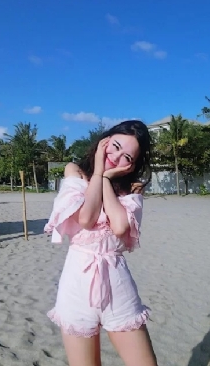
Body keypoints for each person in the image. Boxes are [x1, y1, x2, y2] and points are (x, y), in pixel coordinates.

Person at [44, 120, 158, 366]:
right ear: (103, 141)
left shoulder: (131, 189)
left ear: (132, 165)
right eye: (114, 146)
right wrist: (98, 173)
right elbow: (86, 219)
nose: (116, 157)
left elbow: (120, 227)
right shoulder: (75, 172)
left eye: (126, 156)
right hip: (77, 285)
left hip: (118, 284)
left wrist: (106, 178)